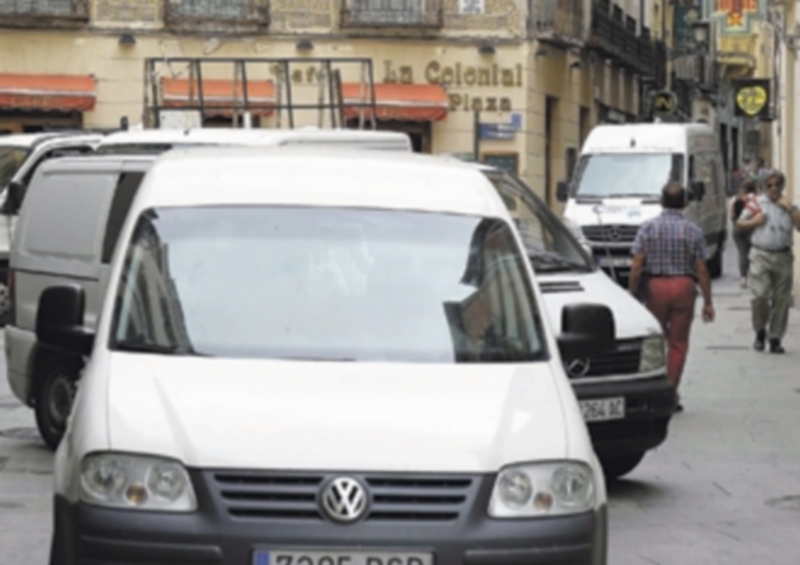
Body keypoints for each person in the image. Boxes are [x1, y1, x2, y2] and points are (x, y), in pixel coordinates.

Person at [629, 182, 715, 413]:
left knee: (656, 341)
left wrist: (632, 294)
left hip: (655, 287)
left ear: (661, 201)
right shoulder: (693, 230)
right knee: (678, 343)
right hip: (684, 286)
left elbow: (637, 265)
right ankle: (670, 393)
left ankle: (653, 392)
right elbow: (702, 269)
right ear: (686, 203)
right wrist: (707, 301)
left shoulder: (647, 228)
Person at [736, 169, 800, 353]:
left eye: (777, 185)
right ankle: (759, 330)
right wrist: (755, 221)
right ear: (764, 187)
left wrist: (789, 208)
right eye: (770, 185)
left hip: (783, 255)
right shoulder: (756, 203)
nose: (774, 189)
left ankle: (775, 338)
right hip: (760, 254)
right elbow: (740, 224)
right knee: (760, 296)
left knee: (782, 299)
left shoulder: (789, 205)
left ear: (782, 186)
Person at [730, 178, 759, 288]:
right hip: (751, 227)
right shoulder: (755, 200)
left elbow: (732, 216)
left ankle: (744, 278)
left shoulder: (735, 199)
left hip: (738, 228)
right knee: (754, 253)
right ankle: (755, 276)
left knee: (742, 253)